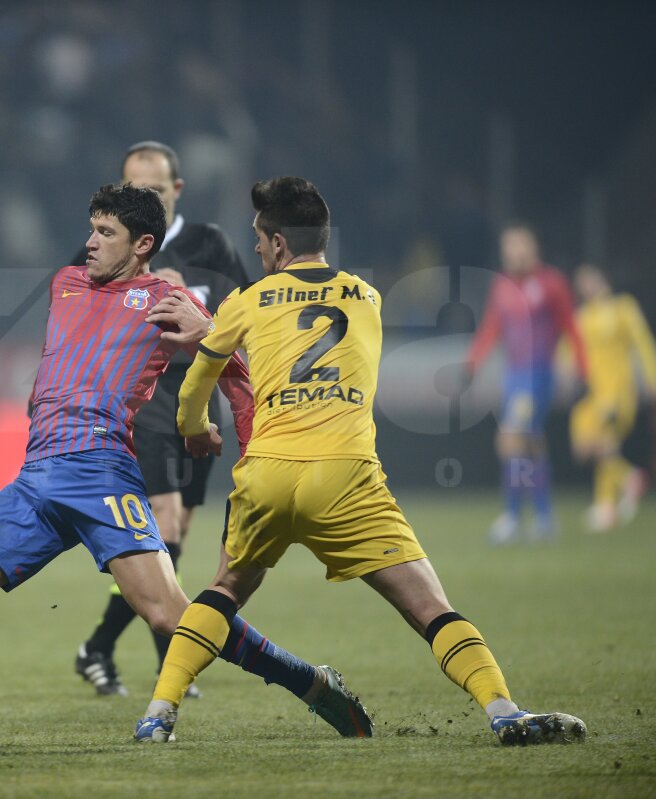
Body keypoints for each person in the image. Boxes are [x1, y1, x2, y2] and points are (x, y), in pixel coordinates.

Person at [0, 183, 371, 747]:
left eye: (106, 233)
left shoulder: (168, 302)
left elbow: (239, 374)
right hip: (36, 476)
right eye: (92, 229)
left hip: (100, 474)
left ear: (143, 243)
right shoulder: (66, 284)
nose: (90, 243)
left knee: (173, 620)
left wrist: (239, 445)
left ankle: (309, 681)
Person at [134, 177, 586, 747]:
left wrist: (194, 428)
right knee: (430, 608)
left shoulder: (245, 302)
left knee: (223, 590)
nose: (254, 248)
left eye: (258, 238)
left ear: (276, 244)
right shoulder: (367, 299)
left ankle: (158, 714)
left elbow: (200, 375)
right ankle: (503, 711)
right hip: (345, 476)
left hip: (269, 472)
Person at [70, 141, 251, 697]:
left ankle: (97, 648)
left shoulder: (208, 244)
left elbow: (244, 313)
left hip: (199, 392)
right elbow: (83, 320)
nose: (144, 194)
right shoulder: (111, 249)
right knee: (164, 525)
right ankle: (173, 662)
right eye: (134, 186)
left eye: (154, 186)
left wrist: (193, 306)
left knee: (177, 536)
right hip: (139, 397)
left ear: (176, 190)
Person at [466, 224, 587, 544]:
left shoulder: (551, 283)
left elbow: (572, 327)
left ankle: (513, 516)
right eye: (509, 246)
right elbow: (492, 327)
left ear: (533, 248)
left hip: (537, 375)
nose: (514, 252)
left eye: (520, 245)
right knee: (530, 444)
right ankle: (545, 517)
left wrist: (583, 370)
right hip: (514, 376)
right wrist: (472, 364)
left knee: (510, 439)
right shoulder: (503, 286)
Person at [567, 263, 656, 531]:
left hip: (617, 393)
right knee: (584, 448)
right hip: (592, 396)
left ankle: (605, 506)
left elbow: (643, 343)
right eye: (580, 281)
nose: (585, 285)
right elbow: (570, 350)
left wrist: (653, 380)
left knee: (607, 445)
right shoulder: (582, 315)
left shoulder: (623, 307)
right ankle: (629, 477)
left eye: (589, 278)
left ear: (602, 277)